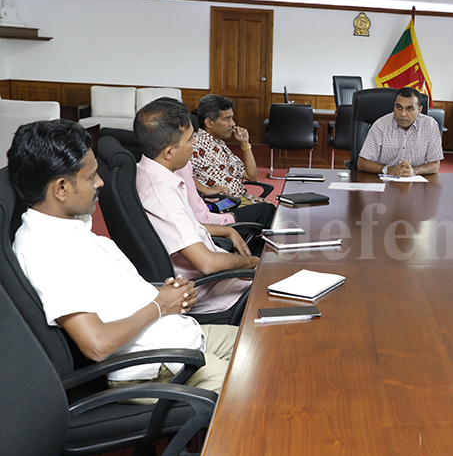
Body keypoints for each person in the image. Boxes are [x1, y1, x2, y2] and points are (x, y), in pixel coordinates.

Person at [8, 119, 237, 394]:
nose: (100, 182)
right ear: (61, 188)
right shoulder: (47, 249)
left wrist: (164, 294)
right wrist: (161, 305)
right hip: (160, 367)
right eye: (91, 176)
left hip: (178, 337)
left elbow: (111, 297)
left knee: (268, 342)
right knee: (260, 382)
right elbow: (97, 344)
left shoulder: (70, 228)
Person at [134, 97, 259, 315]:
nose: (194, 145)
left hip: (220, 279)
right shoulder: (162, 196)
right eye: (190, 140)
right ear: (169, 152)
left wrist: (227, 230)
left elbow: (185, 226)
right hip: (218, 294)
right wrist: (254, 262)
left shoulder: (149, 172)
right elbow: (208, 264)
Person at [191, 94, 275, 228]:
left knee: (280, 213)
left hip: (240, 200)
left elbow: (251, 176)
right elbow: (177, 171)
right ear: (209, 123)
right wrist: (204, 189)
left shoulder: (220, 143)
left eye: (232, 118)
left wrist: (245, 144)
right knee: (272, 213)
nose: (233, 124)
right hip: (223, 205)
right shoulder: (194, 144)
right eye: (227, 119)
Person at [357, 87, 443, 176]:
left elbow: (435, 164)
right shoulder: (381, 125)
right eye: (399, 107)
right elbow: (362, 163)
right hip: (384, 183)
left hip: (417, 183)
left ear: (419, 110)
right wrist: (389, 169)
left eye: (409, 109)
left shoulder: (430, 125)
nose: (403, 114)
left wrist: (413, 171)